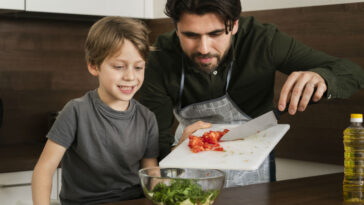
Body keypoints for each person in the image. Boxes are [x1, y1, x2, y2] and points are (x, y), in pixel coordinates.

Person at [139, 0, 364, 187]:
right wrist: (173, 155)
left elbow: (352, 72)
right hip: (189, 156)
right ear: (176, 28)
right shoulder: (160, 56)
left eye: (216, 34)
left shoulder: (263, 40)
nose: (204, 48)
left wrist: (322, 77)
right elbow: (154, 136)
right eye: (191, 35)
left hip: (253, 158)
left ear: (234, 25)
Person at [32, 16, 159, 204]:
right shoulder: (75, 111)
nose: (131, 76)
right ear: (93, 66)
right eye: (119, 66)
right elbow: (44, 170)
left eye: (139, 67)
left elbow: (150, 173)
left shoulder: (147, 118)